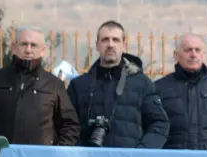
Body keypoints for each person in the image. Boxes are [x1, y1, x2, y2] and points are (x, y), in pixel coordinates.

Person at [67, 21, 169, 149]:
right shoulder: (79, 85)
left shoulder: (142, 83)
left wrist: (141, 153)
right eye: (105, 40)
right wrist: (80, 152)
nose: (110, 45)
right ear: (97, 45)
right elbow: (67, 126)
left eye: (115, 40)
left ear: (123, 46)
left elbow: (159, 123)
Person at [0, 27, 80, 146]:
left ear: (43, 50)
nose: (28, 50)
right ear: (14, 47)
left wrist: (55, 154)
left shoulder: (54, 85)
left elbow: (70, 125)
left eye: (33, 45)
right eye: (24, 44)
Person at [155, 33, 207, 151]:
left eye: (197, 50)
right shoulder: (160, 88)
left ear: (203, 55)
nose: (193, 54)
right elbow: (152, 128)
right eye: (188, 50)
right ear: (176, 55)